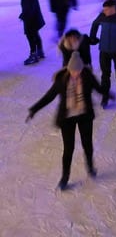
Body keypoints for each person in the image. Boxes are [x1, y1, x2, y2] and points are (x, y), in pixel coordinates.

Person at [27, 50, 102, 190]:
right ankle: (65, 177)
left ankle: (90, 167)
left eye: (78, 71)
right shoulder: (62, 79)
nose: (75, 74)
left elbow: (98, 88)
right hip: (67, 119)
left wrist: (108, 94)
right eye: (73, 71)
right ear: (69, 69)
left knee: (88, 144)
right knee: (68, 149)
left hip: (84, 116)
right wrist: (34, 109)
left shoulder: (87, 76)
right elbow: (49, 96)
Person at [19, 0, 46, 65]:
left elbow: (31, 8)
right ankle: (40, 51)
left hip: (31, 20)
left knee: (30, 37)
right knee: (35, 35)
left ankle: (33, 55)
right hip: (33, 19)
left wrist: (23, 16)